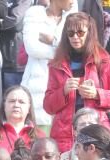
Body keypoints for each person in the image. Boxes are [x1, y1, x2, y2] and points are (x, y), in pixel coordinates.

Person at [43, 12, 110, 153]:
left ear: (89, 33)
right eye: (70, 33)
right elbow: (48, 107)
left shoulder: (106, 61)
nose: (75, 37)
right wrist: (63, 91)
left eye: (80, 32)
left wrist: (97, 94)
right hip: (65, 136)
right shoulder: (56, 64)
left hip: (97, 133)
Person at [21, 0, 75, 133]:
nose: (74, 1)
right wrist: (63, 50)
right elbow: (32, 48)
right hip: (36, 84)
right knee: (37, 140)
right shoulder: (34, 14)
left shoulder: (72, 18)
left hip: (64, 84)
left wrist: (53, 41)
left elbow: (75, 50)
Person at [0, 85, 43, 153]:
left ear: (29, 108)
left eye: (21, 102)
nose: (16, 105)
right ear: (4, 105)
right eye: (12, 101)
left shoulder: (39, 135)